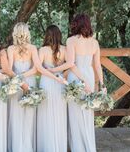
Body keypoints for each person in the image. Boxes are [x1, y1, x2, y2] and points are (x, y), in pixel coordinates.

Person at [7, 22, 67, 152]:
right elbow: (36, 68)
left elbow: (9, 69)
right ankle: (27, 147)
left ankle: (17, 147)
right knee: (29, 115)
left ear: (15, 33)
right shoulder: (33, 48)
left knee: (16, 114)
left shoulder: (11, 49)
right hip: (29, 82)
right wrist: (24, 77)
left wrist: (19, 77)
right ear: (27, 33)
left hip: (17, 83)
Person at [50, 14, 106, 152]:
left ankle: (78, 148)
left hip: (76, 77)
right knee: (87, 112)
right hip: (90, 76)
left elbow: (70, 64)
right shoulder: (95, 42)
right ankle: (88, 147)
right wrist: (102, 84)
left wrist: (52, 70)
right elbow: (97, 65)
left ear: (76, 24)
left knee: (75, 114)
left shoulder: (71, 41)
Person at [37, 25, 67, 152]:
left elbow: (38, 70)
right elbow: (70, 67)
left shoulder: (42, 50)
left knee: (46, 113)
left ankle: (46, 146)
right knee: (59, 114)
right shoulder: (65, 49)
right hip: (60, 82)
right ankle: (59, 147)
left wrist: (48, 73)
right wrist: (61, 76)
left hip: (47, 82)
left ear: (47, 36)